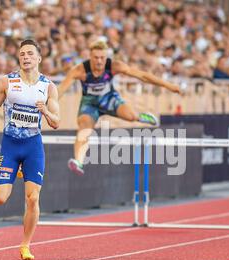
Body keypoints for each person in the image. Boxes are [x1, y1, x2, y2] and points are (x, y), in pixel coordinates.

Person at [0, 39, 60, 260]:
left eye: (30, 54)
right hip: (10, 144)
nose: (25, 57)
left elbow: (57, 122)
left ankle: (25, 245)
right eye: (22, 54)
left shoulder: (48, 86)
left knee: (33, 198)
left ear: (38, 58)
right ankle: (17, 169)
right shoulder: (7, 81)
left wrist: (45, 111)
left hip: (33, 146)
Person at [57, 40, 181, 175]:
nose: (99, 61)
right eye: (96, 58)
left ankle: (141, 116)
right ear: (90, 57)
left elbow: (143, 76)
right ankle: (78, 161)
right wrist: (46, 108)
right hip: (90, 103)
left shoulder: (114, 66)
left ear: (106, 57)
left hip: (109, 98)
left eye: (102, 58)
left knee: (130, 116)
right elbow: (61, 90)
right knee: (84, 128)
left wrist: (168, 85)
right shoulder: (80, 70)